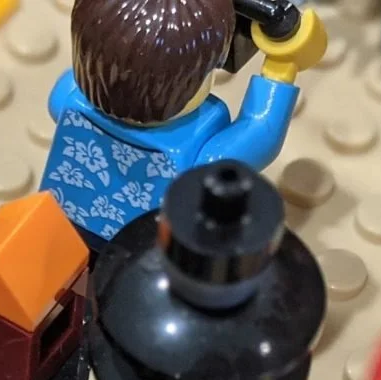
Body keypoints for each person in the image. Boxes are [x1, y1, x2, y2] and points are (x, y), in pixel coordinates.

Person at [40, 0, 326, 242]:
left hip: (60, 217)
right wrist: (281, 66)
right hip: (143, 251)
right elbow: (261, 130)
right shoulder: (202, 159)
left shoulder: (68, 98)